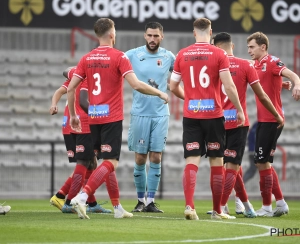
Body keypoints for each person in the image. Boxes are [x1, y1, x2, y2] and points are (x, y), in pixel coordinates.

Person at [67, 18, 169, 219]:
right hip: (111, 118)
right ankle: (83, 196)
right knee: (111, 162)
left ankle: (117, 207)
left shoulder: (86, 58)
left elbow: (71, 88)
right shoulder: (119, 57)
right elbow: (137, 85)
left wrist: (73, 115)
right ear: (112, 34)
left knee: (102, 163)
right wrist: (159, 93)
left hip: (93, 117)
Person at [169, 18, 245, 220]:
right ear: (210, 32)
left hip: (192, 115)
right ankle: (218, 211)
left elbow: (173, 86)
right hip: (213, 115)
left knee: (191, 160)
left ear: (194, 33)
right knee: (216, 161)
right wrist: (239, 110)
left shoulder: (182, 54)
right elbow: (229, 86)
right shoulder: (219, 53)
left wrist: (191, 99)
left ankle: (189, 206)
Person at [212, 32, 284, 218]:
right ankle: (221, 207)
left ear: (216, 48)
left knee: (226, 165)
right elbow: (261, 94)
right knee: (233, 165)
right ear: (232, 46)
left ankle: (242, 204)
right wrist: (277, 114)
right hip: (238, 122)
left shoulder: (213, 66)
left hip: (216, 121)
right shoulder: (245, 65)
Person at [247, 31, 300, 217]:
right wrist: (281, 85)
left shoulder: (271, 62)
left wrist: (296, 84)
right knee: (265, 163)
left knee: (261, 163)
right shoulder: (256, 65)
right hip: (264, 120)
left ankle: (267, 207)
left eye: (252, 47)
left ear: (263, 47)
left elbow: (292, 74)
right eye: (248, 47)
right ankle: (281, 203)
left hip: (272, 120)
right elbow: (269, 81)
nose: (249, 50)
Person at [125, 22, 175, 213]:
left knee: (156, 156)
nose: (152, 39)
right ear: (144, 36)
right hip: (140, 113)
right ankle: (140, 200)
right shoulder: (132, 55)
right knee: (140, 158)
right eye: (149, 35)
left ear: (162, 37)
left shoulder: (169, 57)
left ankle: (151, 201)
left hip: (161, 113)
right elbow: (114, 65)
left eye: (156, 36)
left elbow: (179, 77)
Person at [49, 66, 111, 215]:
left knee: (91, 164)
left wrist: (54, 104)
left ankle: (91, 202)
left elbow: (64, 76)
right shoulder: (85, 75)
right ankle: (65, 199)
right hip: (81, 124)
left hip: (72, 124)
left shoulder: (78, 75)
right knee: (84, 164)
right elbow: (79, 98)